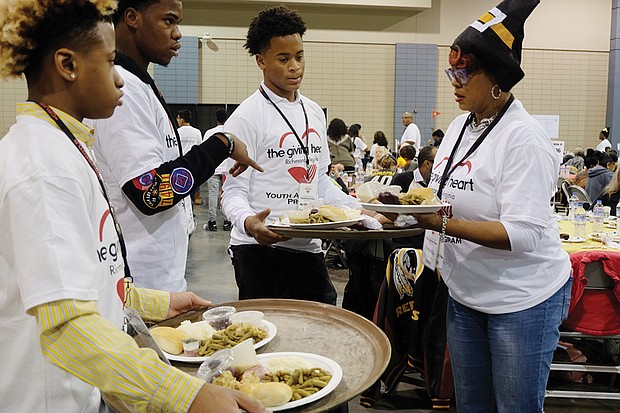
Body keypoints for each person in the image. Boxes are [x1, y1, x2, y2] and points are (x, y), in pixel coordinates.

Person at [0, 2, 268, 413]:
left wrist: (151, 302)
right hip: (47, 397)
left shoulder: (66, 146)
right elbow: (66, 326)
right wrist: (186, 395)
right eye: (110, 63)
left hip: (81, 388)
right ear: (68, 65)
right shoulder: (44, 167)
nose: (119, 80)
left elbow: (89, 269)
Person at [410, 1, 571, 411]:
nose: (454, 82)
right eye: (452, 73)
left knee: (515, 406)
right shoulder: (462, 125)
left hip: (521, 300)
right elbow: (436, 194)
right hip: (466, 293)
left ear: (497, 77)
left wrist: (441, 225)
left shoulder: (524, 139)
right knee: (471, 404)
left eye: (463, 73)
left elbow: (522, 233)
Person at [88, 0, 261, 292]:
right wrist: (222, 143)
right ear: (132, 18)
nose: (178, 33)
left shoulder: (141, 85)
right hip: (139, 281)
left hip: (159, 274)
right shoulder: (124, 91)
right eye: (169, 21)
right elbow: (151, 193)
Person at [221, 5, 377, 305]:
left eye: (299, 56)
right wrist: (250, 222)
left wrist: (359, 210)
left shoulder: (314, 113)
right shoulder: (246, 118)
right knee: (271, 341)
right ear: (261, 60)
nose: (295, 67)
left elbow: (319, 184)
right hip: (259, 251)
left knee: (322, 329)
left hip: (308, 248)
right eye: (284, 59)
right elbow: (232, 192)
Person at [204, 108, 233, 231]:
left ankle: (212, 222)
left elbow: (204, 151)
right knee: (227, 195)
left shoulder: (210, 133)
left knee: (213, 195)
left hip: (214, 168)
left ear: (216, 118)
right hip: (228, 170)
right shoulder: (232, 132)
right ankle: (227, 222)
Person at [177, 109, 204, 205]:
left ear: (182, 120)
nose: (177, 120)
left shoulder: (177, 132)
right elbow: (200, 147)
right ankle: (196, 197)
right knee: (194, 184)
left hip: (181, 163)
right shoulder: (197, 132)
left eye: (178, 118)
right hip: (194, 163)